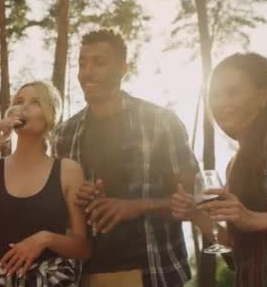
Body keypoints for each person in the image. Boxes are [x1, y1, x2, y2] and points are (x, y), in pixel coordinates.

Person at [53, 29, 198, 287]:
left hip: (153, 272)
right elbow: (57, 212)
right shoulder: (65, 133)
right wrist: (75, 198)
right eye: (82, 63)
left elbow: (193, 198)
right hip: (84, 275)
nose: (87, 72)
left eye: (99, 62)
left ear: (123, 68)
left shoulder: (161, 122)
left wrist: (136, 206)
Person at [171, 52, 267, 286]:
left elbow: (251, 222)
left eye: (232, 92)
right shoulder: (233, 166)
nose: (221, 103)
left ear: (262, 96)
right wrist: (195, 215)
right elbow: (238, 256)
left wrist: (254, 219)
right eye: (214, 95)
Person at [0, 80, 89, 286]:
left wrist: (45, 239)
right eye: (19, 101)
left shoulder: (68, 171)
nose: (24, 107)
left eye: (35, 102)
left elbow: (82, 247)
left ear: (50, 115)